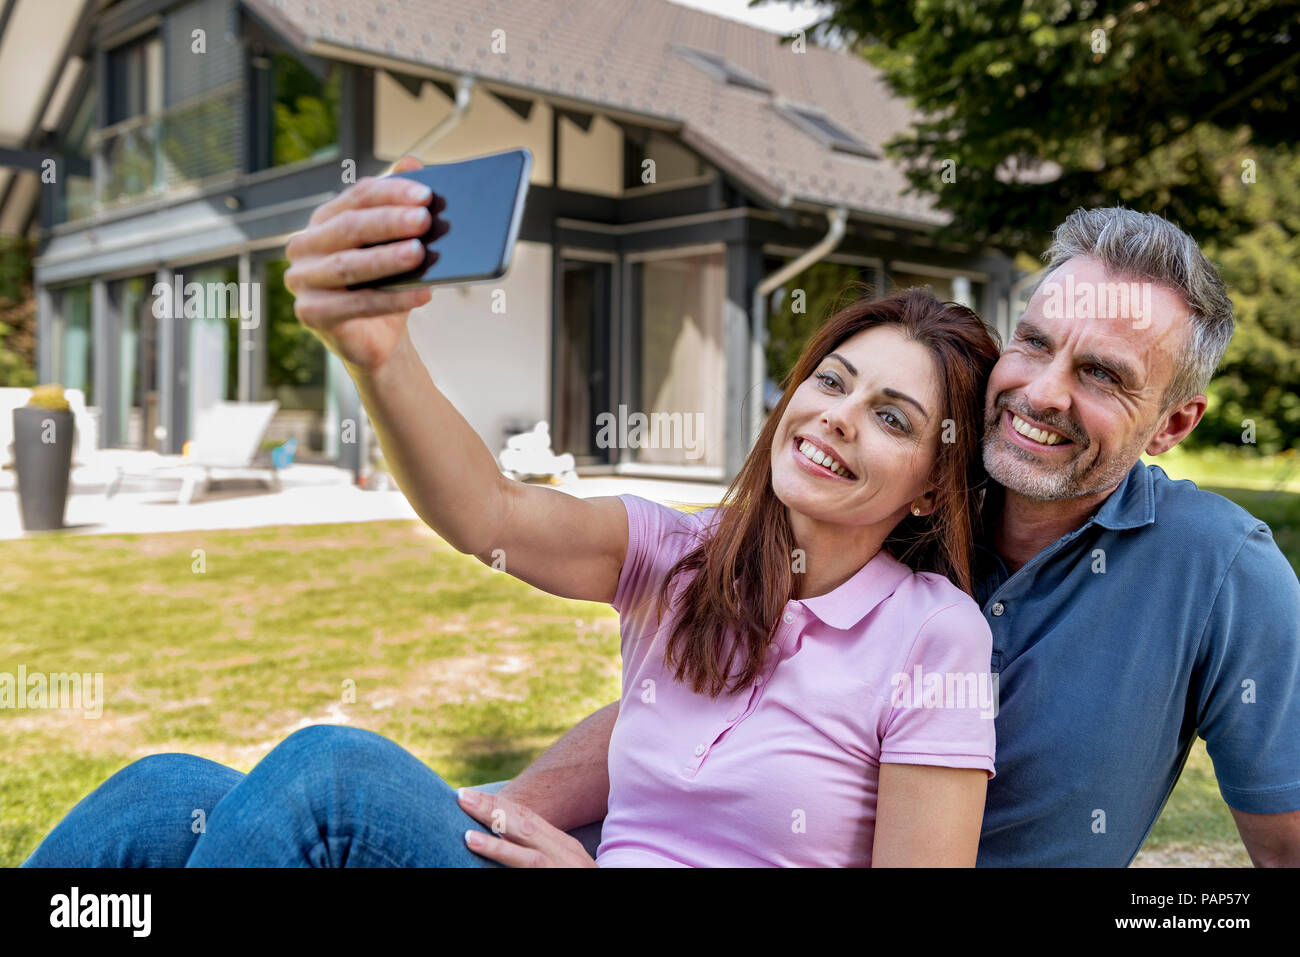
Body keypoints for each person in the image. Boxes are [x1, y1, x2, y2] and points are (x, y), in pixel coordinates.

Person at [22, 156, 1002, 868]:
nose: (835, 417)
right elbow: (486, 510)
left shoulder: (931, 635)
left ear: (928, 483)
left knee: (333, 777)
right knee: (163, 799)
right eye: (829, 380)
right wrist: (381, 356)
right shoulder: (680, 554)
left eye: (889, 416)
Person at [484, 206, 1300, 868]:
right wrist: (499, 811)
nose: (1041, 393)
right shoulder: (902, 488)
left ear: (1175, 422)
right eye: (1036, 343)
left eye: (1102, 374)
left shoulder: (1222, 572)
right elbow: (704, 702)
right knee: (361, 797)